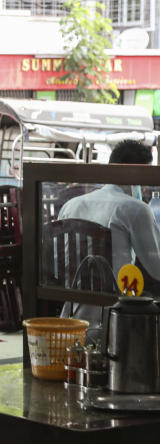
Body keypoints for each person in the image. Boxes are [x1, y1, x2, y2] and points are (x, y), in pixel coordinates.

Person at [59, 139, 160, 331]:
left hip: (70, 319)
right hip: (116, 323)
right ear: (138, 173)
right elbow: (157, 268)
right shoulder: (134, 208)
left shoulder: (70, 206)